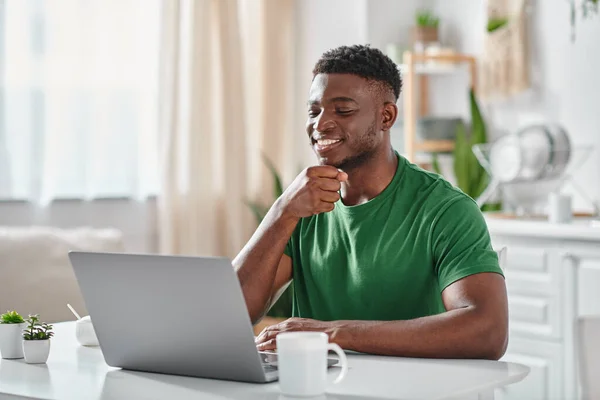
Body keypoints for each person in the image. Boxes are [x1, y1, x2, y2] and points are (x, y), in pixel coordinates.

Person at [233, 44, 508, 360]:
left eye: (343, 110)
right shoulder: (302, 207)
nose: (320, 124)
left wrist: (333, 334)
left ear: (386, 116)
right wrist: (282, 211)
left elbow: (488, 331)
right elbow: (232, 314)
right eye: (313, 111)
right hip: (318, 389)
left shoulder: (446, 210)